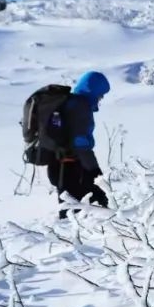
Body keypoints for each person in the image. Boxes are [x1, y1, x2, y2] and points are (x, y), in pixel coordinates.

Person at [47, 71, 110, 218]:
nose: (101, 98)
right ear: (93, 90)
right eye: (100, 94)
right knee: (82, 215)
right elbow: (81, 144)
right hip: (74, 168)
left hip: (58, 164)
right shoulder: (80, 107)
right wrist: (95, 172)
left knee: (69, 213)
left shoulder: (68, 103)